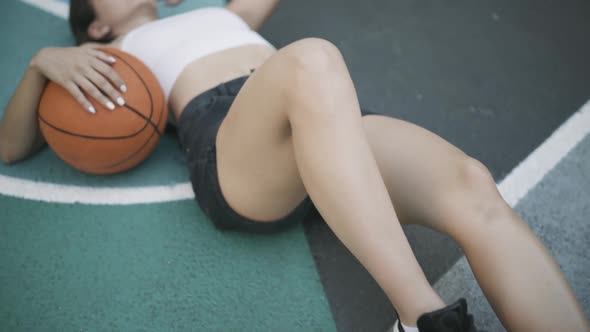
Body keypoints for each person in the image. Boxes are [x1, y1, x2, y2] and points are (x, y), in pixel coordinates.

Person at [0, 1, 588, 331]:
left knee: (471, 185)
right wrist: (41, 64)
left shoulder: (224, 14)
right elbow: (11, 148)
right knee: (312, 59)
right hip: (237, 145)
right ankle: (423, 320)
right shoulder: (108, 61)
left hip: (327, 120)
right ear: (95, 22)